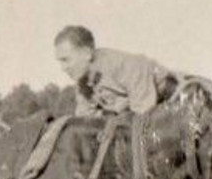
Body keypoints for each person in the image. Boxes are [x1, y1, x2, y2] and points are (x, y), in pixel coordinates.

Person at [53, 25, 183, 116]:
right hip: (138, 115)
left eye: (66, 60)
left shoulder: (126, 66)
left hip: (175, 101)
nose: (63, 68)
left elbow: (143, 120)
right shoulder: (83, 84)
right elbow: (86, 119)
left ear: (87, 53)